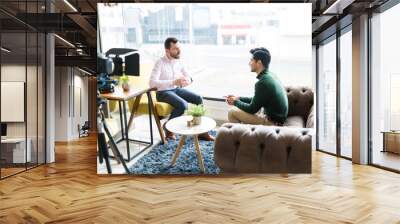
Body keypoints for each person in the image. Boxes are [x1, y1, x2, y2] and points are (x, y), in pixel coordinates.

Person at [149, 37, 214, 141]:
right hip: (163, 92)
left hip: (175, 89)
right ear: (167, 50)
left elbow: (189, 76)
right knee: (183, 105)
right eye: (175, 49)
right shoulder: (159, 62)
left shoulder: (178, 61)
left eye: (179, 48)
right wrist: (173, 82)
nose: (179, 51)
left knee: (198, 98)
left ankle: (201, 132)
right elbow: (152, 83)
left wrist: (189, 80)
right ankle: (168, 129)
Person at [226, 47, 288, 126]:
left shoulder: (262, 82)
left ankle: (241, 136)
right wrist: (238, 98)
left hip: (274, 123)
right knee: (239, 109)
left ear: (259, 63)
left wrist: (235, 102)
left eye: (251, 60)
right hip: (278, 118)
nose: (249, 63)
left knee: (232, 112)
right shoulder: (271, 75)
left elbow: (252, 109)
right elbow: (258, 100)